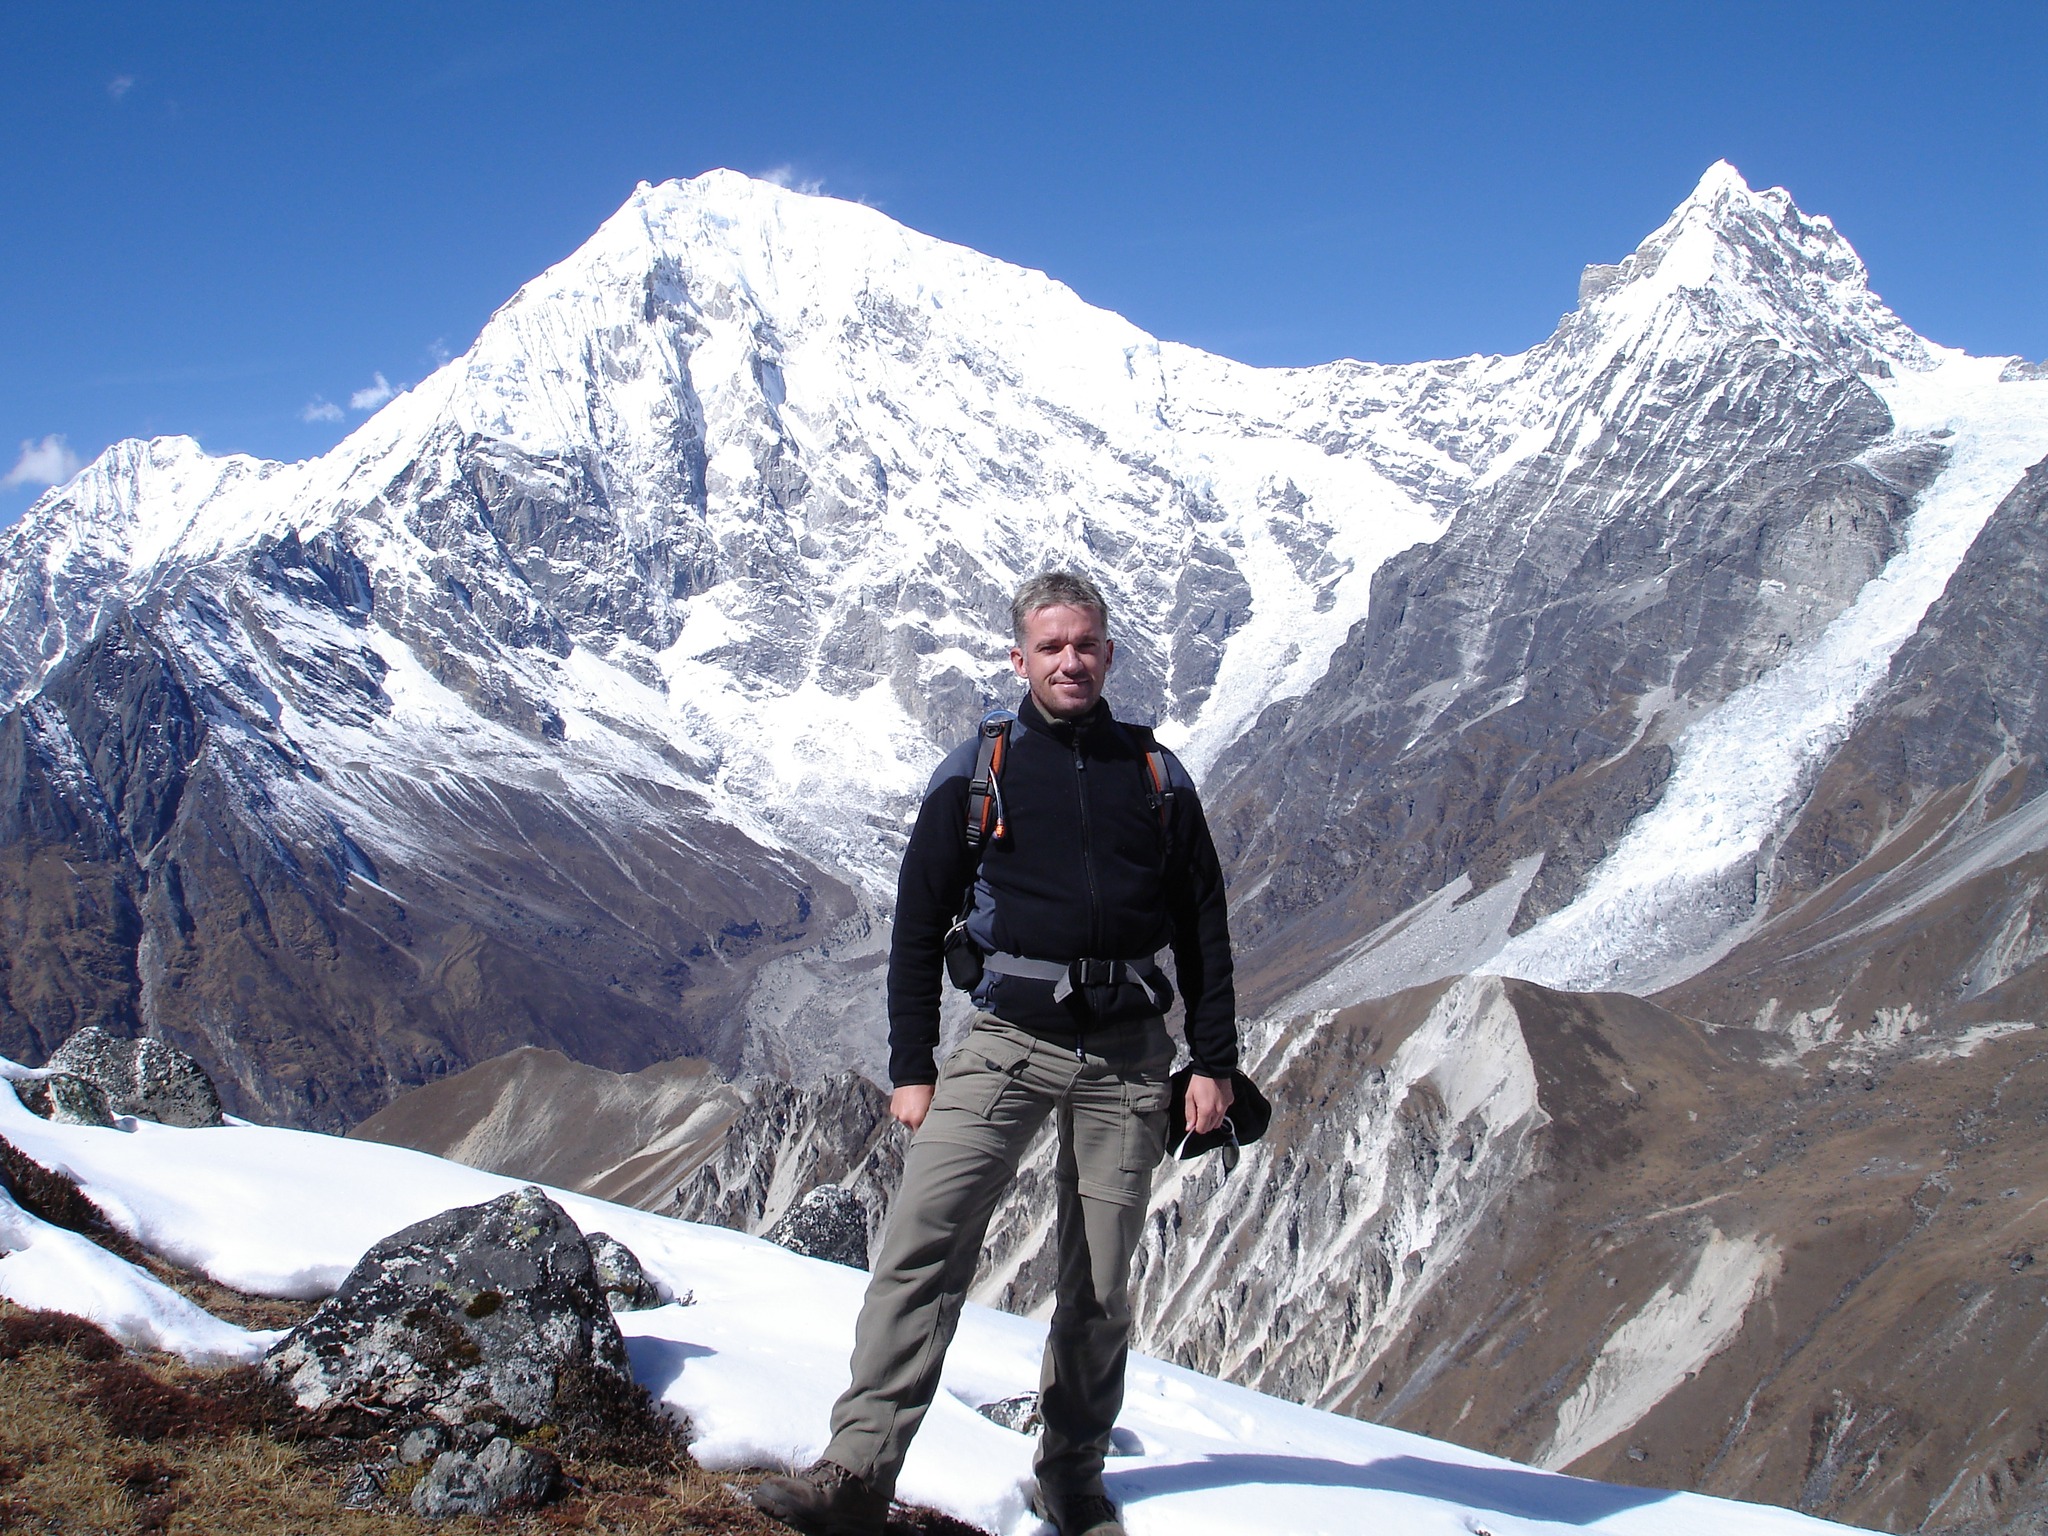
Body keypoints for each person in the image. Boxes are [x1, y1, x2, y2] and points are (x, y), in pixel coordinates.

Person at [754, 570, 1239, 1536]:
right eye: (1050, 647)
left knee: (1100, 1282)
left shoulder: (1156, 776)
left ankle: (1073, 1478)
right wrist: (912, 1067)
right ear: (1019, 659)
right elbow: (917, 919)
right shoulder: (979, 771)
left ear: (1110, 654)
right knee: (922, 1244)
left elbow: (1203, 924)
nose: (1070, 661)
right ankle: (856, 1471)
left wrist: (1215, 1060)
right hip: (1007, 1042)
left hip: (1130, 1057)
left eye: (1086, 645)